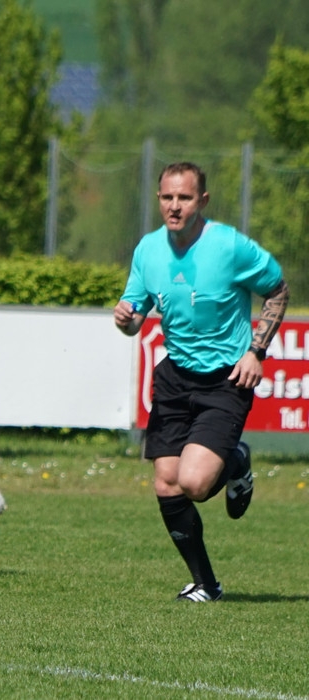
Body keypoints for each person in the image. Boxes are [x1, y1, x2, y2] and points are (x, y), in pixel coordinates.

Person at [114, 161, 288, 603]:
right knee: (166, 483)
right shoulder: (148, 250)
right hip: (175, 377)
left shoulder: (229, 246)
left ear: (202, 200)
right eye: (167, 197)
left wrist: (256, 351)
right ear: (159, 199)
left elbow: (277, 289)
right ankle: (206, 584)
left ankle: (237, 461)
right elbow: (134, 317)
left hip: (226, 380)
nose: (175, 206)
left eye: (185, 197)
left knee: (193, 483)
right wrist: (126, 319)